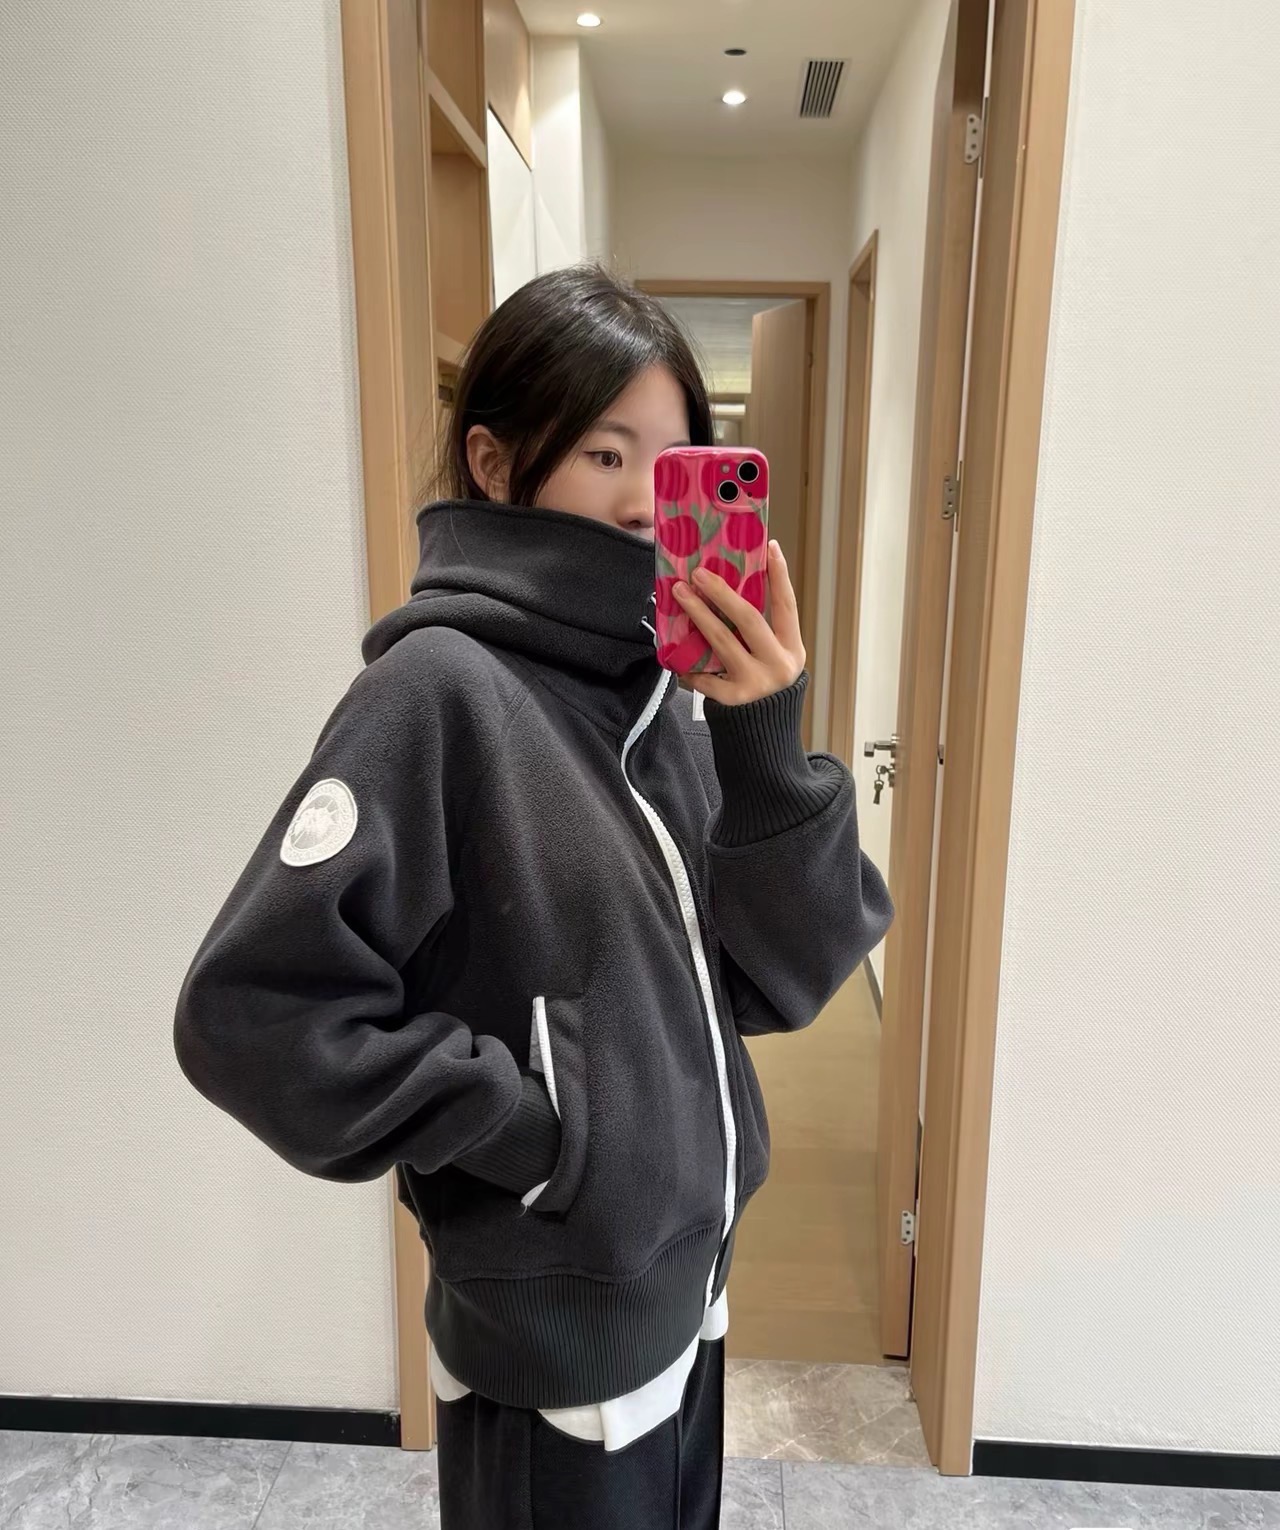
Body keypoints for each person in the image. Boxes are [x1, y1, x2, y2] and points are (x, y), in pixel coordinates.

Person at [174, 265, 893, 1529]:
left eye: (672, 460)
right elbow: (256, 1014)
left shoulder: (656, 694)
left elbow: (775, 982)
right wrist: (530, 1137)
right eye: (606, 453)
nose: (644, 499)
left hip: (684, 1296)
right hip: (554, 1341)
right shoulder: (437, 693)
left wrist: (763, 741)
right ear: (495, 463)